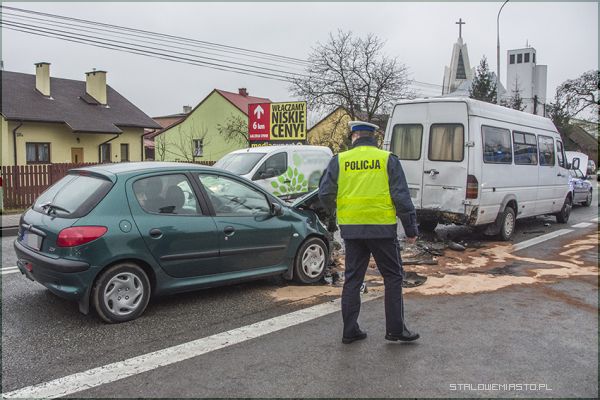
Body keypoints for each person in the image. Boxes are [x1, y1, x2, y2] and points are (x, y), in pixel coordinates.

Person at [318, 120, 420, 344]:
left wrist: (334, 213)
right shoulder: (387, 159)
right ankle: (395, 330)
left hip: (352, 230)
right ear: (373, 137)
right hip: (381, 229)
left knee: (353, 279)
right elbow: (401, 197)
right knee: (392, 277)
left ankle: (349, 330)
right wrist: (411, 229)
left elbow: (324, 193)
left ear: (354, 136)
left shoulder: (340, 160)